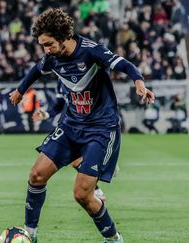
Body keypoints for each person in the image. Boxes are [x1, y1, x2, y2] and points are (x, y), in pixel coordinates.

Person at [9, 8, 155, 243]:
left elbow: (125, 64)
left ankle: (114, 239)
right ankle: (30, 235)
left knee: (82, 194)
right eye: (42, 45)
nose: (45, 50)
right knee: (36, 175)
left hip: (100, 130)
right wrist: (19, 90)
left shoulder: (91, 51)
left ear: (63, 36)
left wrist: (139, 83)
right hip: (71, 126)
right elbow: (36, 70)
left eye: (48, 44)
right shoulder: (52, 58)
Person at [32, 83, 106, 201]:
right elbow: (58, 106)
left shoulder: (86, 75)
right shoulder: (60, 81)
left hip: (89, 125)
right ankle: (96, 184)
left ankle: (97, 181)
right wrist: (45, 114)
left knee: (77, 160)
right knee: (74, 161)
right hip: (68, 126)